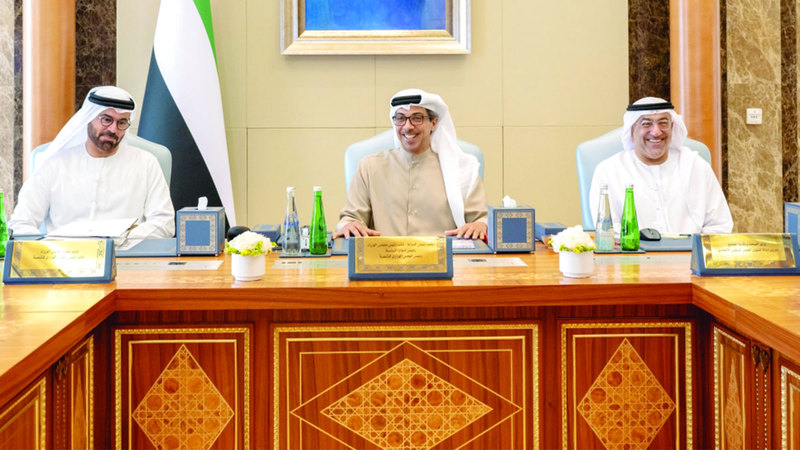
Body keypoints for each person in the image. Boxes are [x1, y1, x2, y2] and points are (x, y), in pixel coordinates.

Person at [9, 86, 175, 239]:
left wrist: (119, 241)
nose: (113, 129)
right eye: (106, 119)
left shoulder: (146, 163)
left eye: (122, 122)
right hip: (62, 257)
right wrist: (46, 248)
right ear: (89, 117)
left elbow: (164, 224)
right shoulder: (54, 164)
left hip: (125, 255)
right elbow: (20, 223)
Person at [333, 89, 488, 239]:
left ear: (433, 123)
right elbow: (350, 218)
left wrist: (480, 225)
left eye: (417, 118)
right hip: (383, 254)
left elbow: (481, 220)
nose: (408, 126)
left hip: (443, 255)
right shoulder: (369, 167)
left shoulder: (462, 169)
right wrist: (349, 225)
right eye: (400, 118)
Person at [589, 97, 733, 234]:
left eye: (663, 123)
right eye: (646, 124)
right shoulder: (608, 171)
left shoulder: (696, 166)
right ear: (632, 130)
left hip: (691, 251)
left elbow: (720, 226)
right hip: (633, 251)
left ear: (672, 127)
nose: (656, 132)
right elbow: (607, 231)